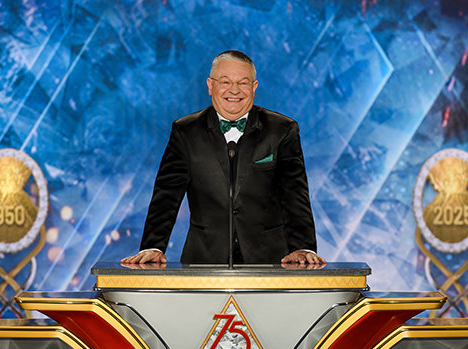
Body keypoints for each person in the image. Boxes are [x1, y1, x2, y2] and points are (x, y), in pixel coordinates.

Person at [122, 50, 324, 266]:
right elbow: (166, 195)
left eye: (243, 83)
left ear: (254, 87)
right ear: (210, 86)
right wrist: (153, 246)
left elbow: (295, 194)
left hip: (271, 261)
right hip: (203, 260)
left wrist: (303, 247)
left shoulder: (282, 130)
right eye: (225, 82)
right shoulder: (186, 131)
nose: (234, 90)